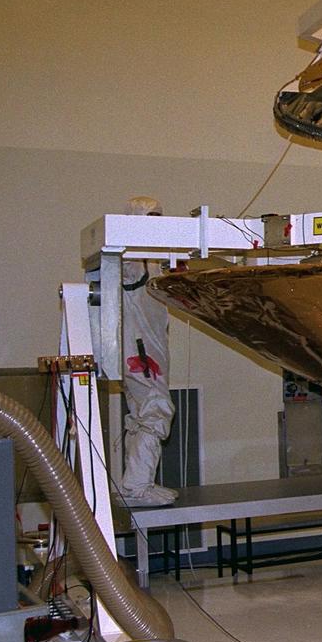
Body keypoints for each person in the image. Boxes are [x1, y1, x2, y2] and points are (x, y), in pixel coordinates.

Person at [119, 196, 178, 507]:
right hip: (140, 353)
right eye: (150, 218)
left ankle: (135, 483)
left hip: (148, 349)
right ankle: (139, 485)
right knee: (156, 411)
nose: (157, 223)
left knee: (143, 415)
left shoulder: (151, 258)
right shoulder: (132, 258)